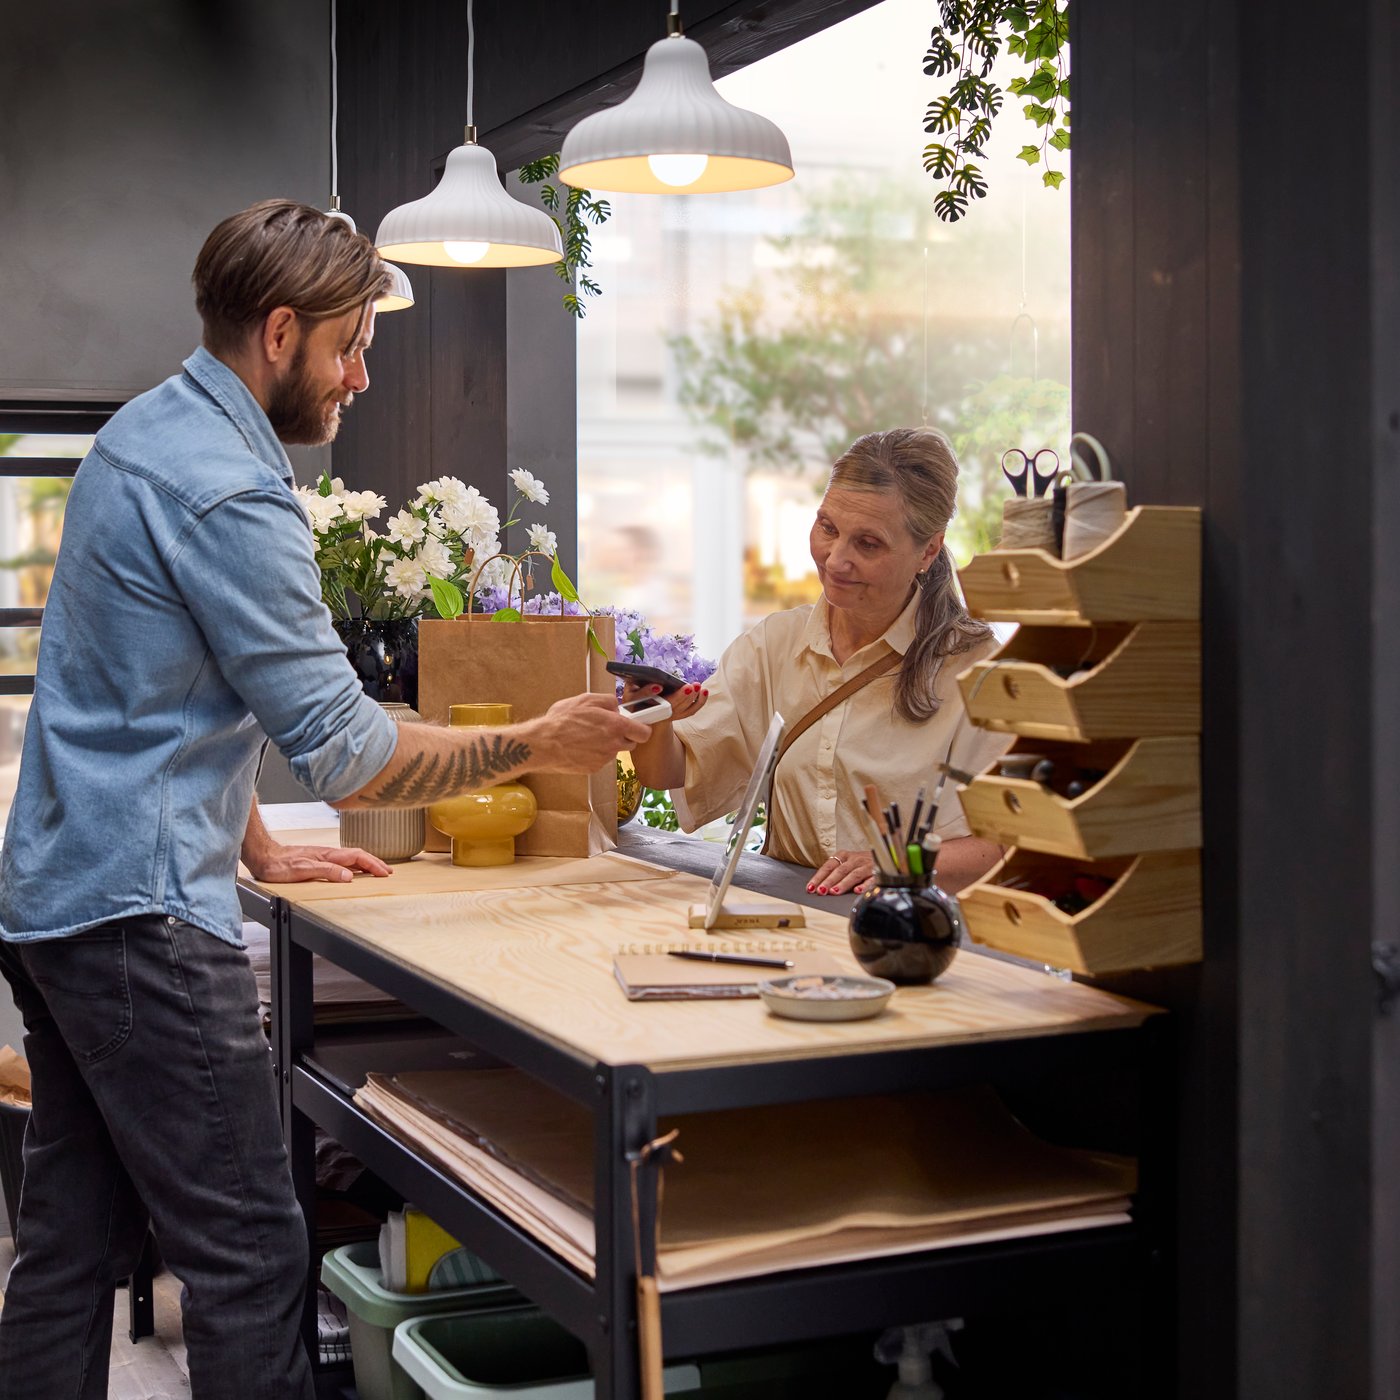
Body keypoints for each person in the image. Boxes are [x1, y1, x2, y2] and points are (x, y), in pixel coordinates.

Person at [0, 199, 647, 1400]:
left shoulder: (148, 432)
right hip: (138, 915)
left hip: (58, 894)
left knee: (71, 1246)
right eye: (351, 346)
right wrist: (540, 741)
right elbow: (347, 754)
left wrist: (252, 839)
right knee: (250, 1253)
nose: (357, 376)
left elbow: (149, 691)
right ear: (283, 332)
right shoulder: (234, 493)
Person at [627, 427, 1009, 896]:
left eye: (868, 544)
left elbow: (1008, 845)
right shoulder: (775, 644)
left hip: (922, 934)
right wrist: (654, 718)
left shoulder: (975, 673)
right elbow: (670, 772)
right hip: (797, 919)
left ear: (928, 550)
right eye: (828, 528)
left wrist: (897, 865)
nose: (835, 560)